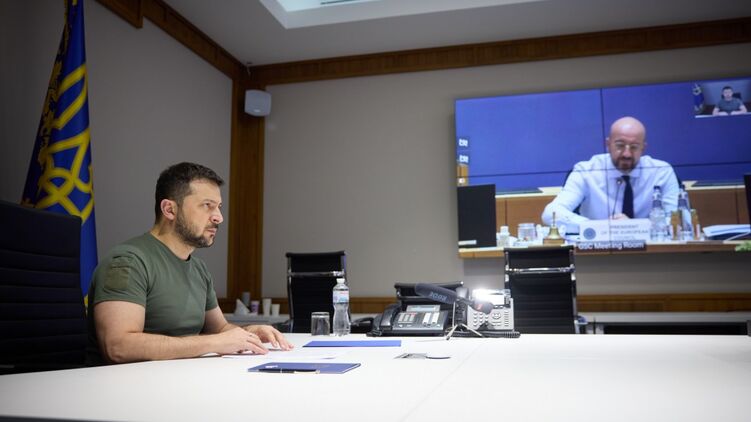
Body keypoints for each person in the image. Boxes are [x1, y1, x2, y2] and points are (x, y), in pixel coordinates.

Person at [87, 162, 292, 364]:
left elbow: (220, 329)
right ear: (169, 209)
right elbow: (118, 347)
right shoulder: (128, 262)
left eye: (219, 207)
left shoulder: (198, 269)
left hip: (180, 378)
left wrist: (248, 333)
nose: (219, 217)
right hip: (130, 383)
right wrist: (213, 343)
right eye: (207, 206)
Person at [541, 116, 679, 233]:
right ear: (608, 144)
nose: (626, 154)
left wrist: (633, 227)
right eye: (620, 145)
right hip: (597, 250)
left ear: (643, 148)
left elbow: (678, 220)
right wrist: (602, 228)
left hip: (651, 250)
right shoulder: (586, 171)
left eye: (634, 147)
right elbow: (551, 213)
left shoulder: (661, 172)